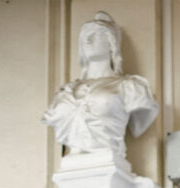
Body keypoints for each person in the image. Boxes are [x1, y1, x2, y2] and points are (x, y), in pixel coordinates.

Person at [42, 11, 159, 162]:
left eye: (96, 35)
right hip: (74, 162)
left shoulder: (130, 87)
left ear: (112, 43)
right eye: (85, 37)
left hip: (110, 160)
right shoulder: (64, 92)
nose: (88, 40)